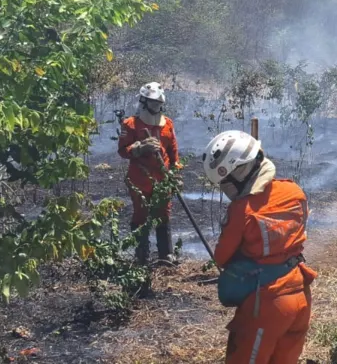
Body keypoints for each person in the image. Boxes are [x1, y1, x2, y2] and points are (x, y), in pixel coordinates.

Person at [202, 130, 316, 364]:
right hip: (301, 293)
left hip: (266, 305)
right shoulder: (294, 190)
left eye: (225, 181)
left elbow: (221, 257)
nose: (225, 188)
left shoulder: (242, 210)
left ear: (239, 172)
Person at [117, 82, 179, 264]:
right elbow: (122, 150)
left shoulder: (167, 124)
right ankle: (141, 254)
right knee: (141, 214)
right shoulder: (130, 124)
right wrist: (138, 148)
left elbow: (174, 151)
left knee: (163, 213)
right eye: (152, 103)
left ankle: (165, 254)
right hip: (140, 179)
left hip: (163, 178)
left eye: (158, 104)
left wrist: (176, 172)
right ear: (143, 102)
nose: (155, 107)